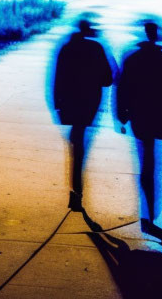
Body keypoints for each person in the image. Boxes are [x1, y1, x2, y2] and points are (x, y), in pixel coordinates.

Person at [117, 21, 162, 235]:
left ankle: (147, 207)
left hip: (139, 115)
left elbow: (124, 87)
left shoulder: (133, 59)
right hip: (158, 115)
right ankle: (150, 210)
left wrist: (122, 114)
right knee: (150, 159)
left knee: (144, 156)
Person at [52, 18, 114, 211]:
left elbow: (58, 76)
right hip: (89, 102)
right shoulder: (96, 48)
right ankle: (77, 189)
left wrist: (58, 104)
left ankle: (75, 189)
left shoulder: (67, 48)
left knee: (76, 141)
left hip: (70, 101)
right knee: (79, 141)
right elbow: (107, 80)